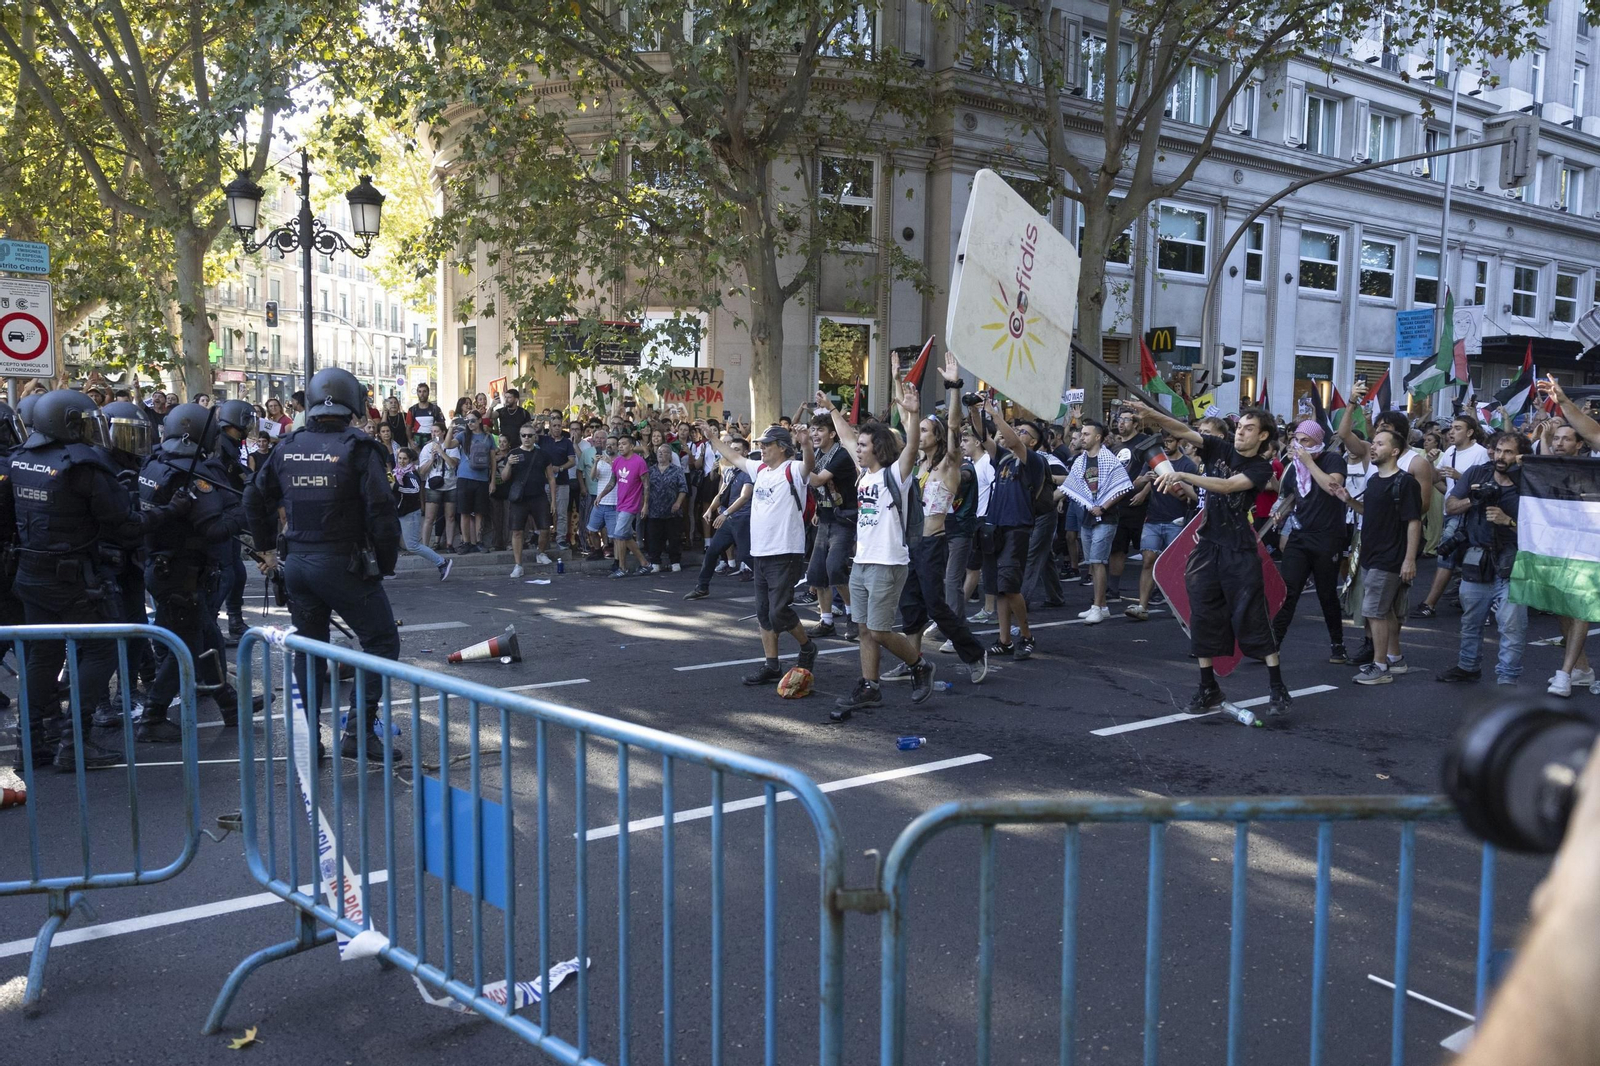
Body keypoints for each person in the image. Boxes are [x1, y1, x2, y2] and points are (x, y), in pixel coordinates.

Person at [4, 390, 182, 769]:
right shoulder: (83, 466)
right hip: (74, 577)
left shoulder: (20, 460)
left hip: (31, 571)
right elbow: (127, 525)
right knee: (102, 649)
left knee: (43, 654)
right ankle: (75, 743)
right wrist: (170, 511)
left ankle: (31, 743)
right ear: (67, 423)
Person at [245, 368, 403, 761]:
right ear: (351, 403)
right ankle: (359, 734)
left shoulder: (287, 446)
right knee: (381, 641)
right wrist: (383, 565)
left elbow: (252, 498)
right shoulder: (360, 448)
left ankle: (307, 741)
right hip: (343, 563)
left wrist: (266, 550)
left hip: (296, 563)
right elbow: (383, 514)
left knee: (309, 651)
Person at [1130, 400, 1293, 721]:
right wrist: (1154, 415)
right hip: (1207, 547)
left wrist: (1186, 477)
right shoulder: (1220, 447)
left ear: (1262, 437)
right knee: (1202, 615)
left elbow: (1229, 486)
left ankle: (1277, 687)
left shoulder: (1260, 468)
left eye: (1249, 429)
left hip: (1240, 550)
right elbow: (1183, 431)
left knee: (1251, 616)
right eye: (1240, 427)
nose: (1241, 433)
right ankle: (1209, 688)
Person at [137, 403, 263, 739]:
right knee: (188, 647)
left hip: (163, 567)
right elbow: (213, 528)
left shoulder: (155, 463)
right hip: (182, 574)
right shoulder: (193, 473)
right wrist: (243, 510)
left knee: (207, 639)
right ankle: (152, 716)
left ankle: (230, 704)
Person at [815, 388, 934, 717]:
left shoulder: (895, 476)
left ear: (878, 449)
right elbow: (847, 437)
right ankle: (870, 686)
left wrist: (912, 413)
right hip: (863, 562)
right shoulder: (863, 476)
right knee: (865, 628)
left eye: (865, 446)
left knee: (880, 629)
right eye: (860, 446)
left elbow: (910, 448)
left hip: (889, 562)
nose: (858, 450)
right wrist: (830, 409)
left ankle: (919, 665)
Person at [698, 419, 819, 685]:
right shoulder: (760, 468)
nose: (761, 449)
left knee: (778, 611)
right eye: (760, 445)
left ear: (783, 448)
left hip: (786, 551)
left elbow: (809, 465)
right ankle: (772, 665)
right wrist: (711, 438)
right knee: (764, 612)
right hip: (760, 552)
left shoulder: (793, 469)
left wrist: (806, 443)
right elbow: (732, 455)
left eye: (767, 445)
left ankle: (807, 646)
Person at [888, 364, 988, 682]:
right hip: (911, 543)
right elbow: (905, 418)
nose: (920, 435)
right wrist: (895, 380)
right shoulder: (917, 463)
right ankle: (914, 662)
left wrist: (954, 387)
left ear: (938, 436)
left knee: (936, 606)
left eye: (927, 431)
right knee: (910, 606)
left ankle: (974, 653)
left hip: (933, 541)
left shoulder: (949, 464)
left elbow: (956, 426)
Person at [1432, 431, 1527, 686]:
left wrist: (1508, 521)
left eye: (1508, 452)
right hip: (1476, 558)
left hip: (1513, 563)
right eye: (1498, 450)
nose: (1501, 456)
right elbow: (1450, 506)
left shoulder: (1528, 482)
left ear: (1520, 456)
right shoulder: (1477, 474)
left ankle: (1507, 679)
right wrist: (1473, 500)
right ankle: (1468, 666)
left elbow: (1542, 529)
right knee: (1471, 621)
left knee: (1511, 627)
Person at [1332, 425, 1422, 686]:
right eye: (1373, 442)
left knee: (1374, 611)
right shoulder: (1374, 480)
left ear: (1395, 451)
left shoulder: (1405, 483)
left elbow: (1414, 522)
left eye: (1380, 443)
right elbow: (1368, 513)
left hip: (1390, 557)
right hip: (1371, 555)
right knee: (1385, 610)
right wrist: (1347, 499)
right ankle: (1395, 658)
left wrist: (1409, 559)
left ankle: (1380, 666)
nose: (1373, 446)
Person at [1537, 378, 1600, 696]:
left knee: (1582, 606)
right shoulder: (1580, 459)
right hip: (1573, 543)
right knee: (1566, 606)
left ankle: (1567, 672)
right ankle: (1582, 669)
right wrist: (1562, 401)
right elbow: (1592, 431)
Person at [973, 396, 1045, 659]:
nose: (1016, 434)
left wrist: (995, 414)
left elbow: (1012, 440)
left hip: (1017, 528)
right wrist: (974, 409)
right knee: (998, 588)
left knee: (1011, 587)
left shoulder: (1034, 461)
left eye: (1024, 432)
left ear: (1034, 442)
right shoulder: (1002, 458)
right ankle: (1004, 640)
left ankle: (1027, 636)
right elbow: (983, 437)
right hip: (995, 528)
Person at [1271, 421, 1349, 659]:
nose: (1299, 445)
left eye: (1305, 440)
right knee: (1288, 591)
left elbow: (1333, 487)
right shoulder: (1293, 468)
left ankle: (1337, 644)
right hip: (1300, 536)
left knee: (1326, 593)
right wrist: (1280, 512)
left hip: (1327, 537)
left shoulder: (1332, 460)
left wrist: (1308, 462)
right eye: (1297, 440)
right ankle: (1273, 644)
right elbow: (1290, 497)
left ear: (1318, 441)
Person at [1414, 414, 1490, 618]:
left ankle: (1429, 604)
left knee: (1446, 555)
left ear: (1470, 432)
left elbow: (1484, 486)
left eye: (1457, 428)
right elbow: (1438, 481)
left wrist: (1460, 476)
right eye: (1451, 428)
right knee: (1464, 558)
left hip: (1468, 512)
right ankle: (1475, 602)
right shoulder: (1450, 452)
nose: (1451, 432)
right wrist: (1430, 463)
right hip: (1451, 511)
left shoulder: (1480, 453)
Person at [1062, 419, 1130, 625]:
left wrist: (1104, 506)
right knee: (1093, 562)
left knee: (1098, 562)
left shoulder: (1108, 459)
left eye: (1086, 434)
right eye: (1081, 434)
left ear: (1098, 437)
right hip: (1087, 516)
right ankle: (1102, 607)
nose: (1082, 437)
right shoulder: (1081, 460)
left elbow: (1122, 486)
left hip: (1106, 518)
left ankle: (1097, 607)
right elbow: (1072, 485)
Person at [1127, 431, 1197, 621]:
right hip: (1153, 519)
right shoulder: (1151, 460)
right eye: (1164, 442)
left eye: (1170, 441)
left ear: (1179, 442)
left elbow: (1193, 496)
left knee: (1175, 565)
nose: (1166, 445)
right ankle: (1142, 605)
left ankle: (1181, 607)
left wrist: (1178, 479)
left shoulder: (1187, 465)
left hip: (1176, 520)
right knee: (1148, 560)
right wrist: (1144, 479)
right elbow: (1135, 485)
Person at [805, 409, 858, 640]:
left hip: (843, 519)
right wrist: (817, 509)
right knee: (816, 573)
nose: (815, 434)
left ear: (833, 434)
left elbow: (817, 480)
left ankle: (853, 615)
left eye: (820, 430)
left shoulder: (842, 455)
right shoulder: (815, 454)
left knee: (835, 567)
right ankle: (826, 621)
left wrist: (799, 461)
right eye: (813, 429)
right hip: (825, 517)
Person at [684, 437, 754, 599]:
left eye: (737, 449)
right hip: (729, 520)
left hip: (743, 519)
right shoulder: (730, 470)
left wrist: (725, 513)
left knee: (745, 556)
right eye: (731, 448)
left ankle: (774, 587)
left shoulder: (749, 472)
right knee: (712, 552)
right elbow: (721, 493)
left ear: (745, 452)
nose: (732, 451)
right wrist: (710, 509)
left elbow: (744, 497)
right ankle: (702, 587)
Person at [500, 421, 555, 577]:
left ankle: (541, 553)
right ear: (520, 437)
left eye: (530, 436)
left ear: (535, 437)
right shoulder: (513, 454)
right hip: (519, 499)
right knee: (517, 531)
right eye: (523, 435)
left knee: (545, 528)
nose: (526, 438)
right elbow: (503, 478)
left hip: (539, 496)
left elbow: (551, 478)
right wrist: (509, 464)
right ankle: (518, 565)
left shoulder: (543, 454)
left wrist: (553, 500)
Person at [393, 447, 451, 580]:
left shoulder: (411, 474)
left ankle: (442, 562)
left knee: (412, 545)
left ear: (410, 460)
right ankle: (387, 570)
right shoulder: (397, 472)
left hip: (410, 513)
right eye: (400, 458)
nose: (401, 461)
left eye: (405, 459)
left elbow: (414, 490)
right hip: (399, 512)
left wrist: (396, 487)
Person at [600, 433, 650, 576]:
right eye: (619, 444)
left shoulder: (639, 462)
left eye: (624, 444)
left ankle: (622, 568)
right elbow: (612, 482)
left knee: (619, 535)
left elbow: (646, 485)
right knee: (626, 536)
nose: (621, 447)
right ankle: (645, 564)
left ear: (632, 446)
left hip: (632, 505)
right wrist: (601, 495)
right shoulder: (617, 462)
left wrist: (645, 504)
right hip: (620, 504)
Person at [451, 410, 495, 553]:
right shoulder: (463, 435)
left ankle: (479, 541)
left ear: (480, 420)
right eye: (467, 421)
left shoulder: (488, 437)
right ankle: (466, 542)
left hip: (481, 479)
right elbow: (448, 445)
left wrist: (492, 480)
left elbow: (493, 461)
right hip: (464, 477)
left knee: (479, 512)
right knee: (464, 512)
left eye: (473, 421)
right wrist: (451, 428)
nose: (470, 423)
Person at [645, 443, 687, 572]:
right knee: (654, 537)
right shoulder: (650, 470)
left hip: (672, 511)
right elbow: (645, 489)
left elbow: (683, 488)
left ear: (670, 455)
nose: (661, 454)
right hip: (654, 510)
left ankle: (675, 561)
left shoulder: (677, 470)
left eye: (664, 452)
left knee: (674, 537)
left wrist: (678, 503)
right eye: (659, 452)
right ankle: (655, 562)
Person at [419, 421, 460, 553]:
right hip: (433, 485)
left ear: (443, 432)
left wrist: (441, 452)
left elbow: (454, 464)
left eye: (436, 431)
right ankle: (425, 546)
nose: (434, 434)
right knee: (430, 517)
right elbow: (422, 471)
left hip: (450, 484)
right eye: (432, 432)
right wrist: (431, 458)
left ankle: (449, 544)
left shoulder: (452, 445)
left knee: (450, 516)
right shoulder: (427, 448)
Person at [542, 422, 578, 552]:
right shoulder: (544, 440)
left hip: (562, 482)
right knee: (545, 512)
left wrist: (560, 468)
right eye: (554, 425)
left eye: (559, 425)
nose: (557, 428)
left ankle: (561, 538)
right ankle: (543, 539)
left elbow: (572, 461)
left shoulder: (567, 443)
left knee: (561, 512)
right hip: (545, 482)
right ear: (550, 427)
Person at [406, 384, 445, 449]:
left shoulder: (435, 409)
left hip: (431, 441)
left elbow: (442, 426)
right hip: (416, 442)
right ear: (417, 393)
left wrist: (435, 440)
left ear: (428, 393)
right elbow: (408, 427)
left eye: (424, 391)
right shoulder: (412, 410)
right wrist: (410, 441)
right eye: (420, 391)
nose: (422, 394)